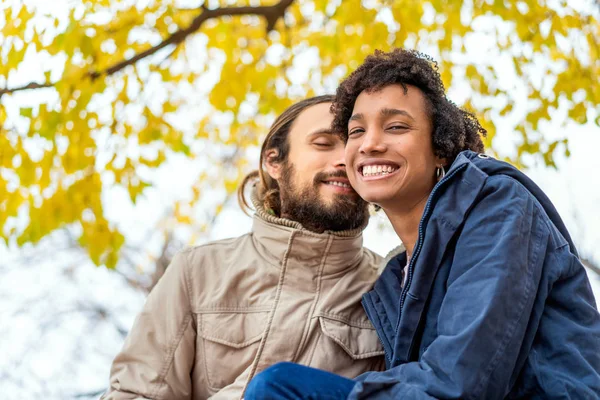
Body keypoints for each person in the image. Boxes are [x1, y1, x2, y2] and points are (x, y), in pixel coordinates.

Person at [245, 49, 600, 399]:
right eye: (356, 131)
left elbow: (461, 382)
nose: (369, 144)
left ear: (440, 147)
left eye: (396, 126)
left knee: (279, 387)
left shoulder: (496, 207)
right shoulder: (391, 281)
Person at [102, 95, 386, 400]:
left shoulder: (391, 287)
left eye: (352, 147)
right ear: (273, 161)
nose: (344, 159)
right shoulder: (198, 270)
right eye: (322, 143)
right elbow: (137, 392)